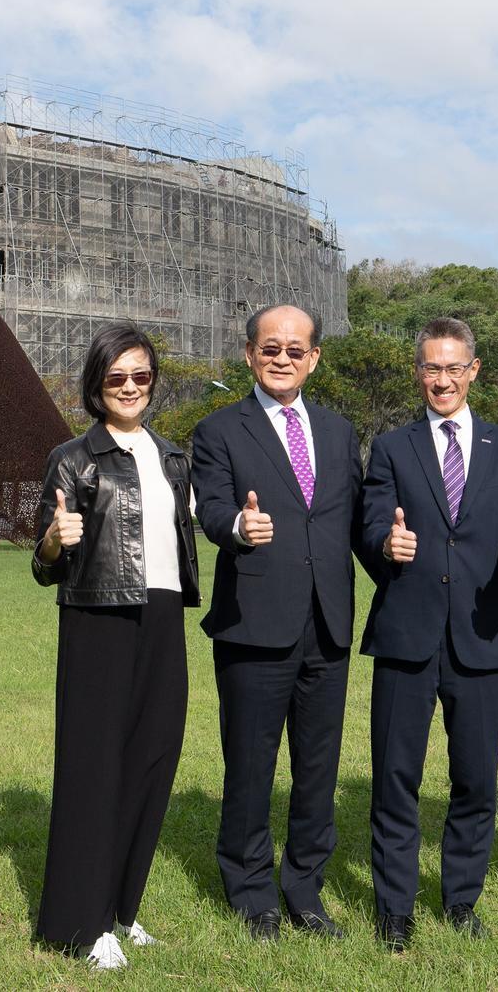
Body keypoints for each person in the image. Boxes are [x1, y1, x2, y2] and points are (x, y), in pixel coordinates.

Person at [359, 317, 498, 951]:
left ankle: (462, 899)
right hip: (407, 634)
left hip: (481, 633)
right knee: (395, 777)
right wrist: (387, 541)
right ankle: (394, 907)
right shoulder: (390, 447)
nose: (442, 379)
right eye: (431, 368)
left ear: (474, 371)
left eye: (453, 368)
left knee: (476, 780)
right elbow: (371, 523)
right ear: (418, 373)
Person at [30, 323, 202, 971]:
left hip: (162, 617)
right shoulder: (72, 458)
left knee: (152, 762)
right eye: (116, 378)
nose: (130, 387)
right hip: (97, 615)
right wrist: (54, 538)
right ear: (97, 385)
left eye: (141, 376)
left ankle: (123, 910)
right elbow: (42, 564)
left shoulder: (173, 457)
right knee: (93, 769)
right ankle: (81, 923)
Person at [191, 305, 362, 941]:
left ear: (314, 358)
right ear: (249, 354)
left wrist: (402, 549)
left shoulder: (340, 432)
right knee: (251, 764)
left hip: (328, 625)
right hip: (254, 625)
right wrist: (238, 527)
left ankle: (304, 887)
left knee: (318, 766)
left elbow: (355, 520)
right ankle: (251, 890)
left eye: (296, 349)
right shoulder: (219, 430)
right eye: (271, 348)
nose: (283, 358)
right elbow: (210, 507)